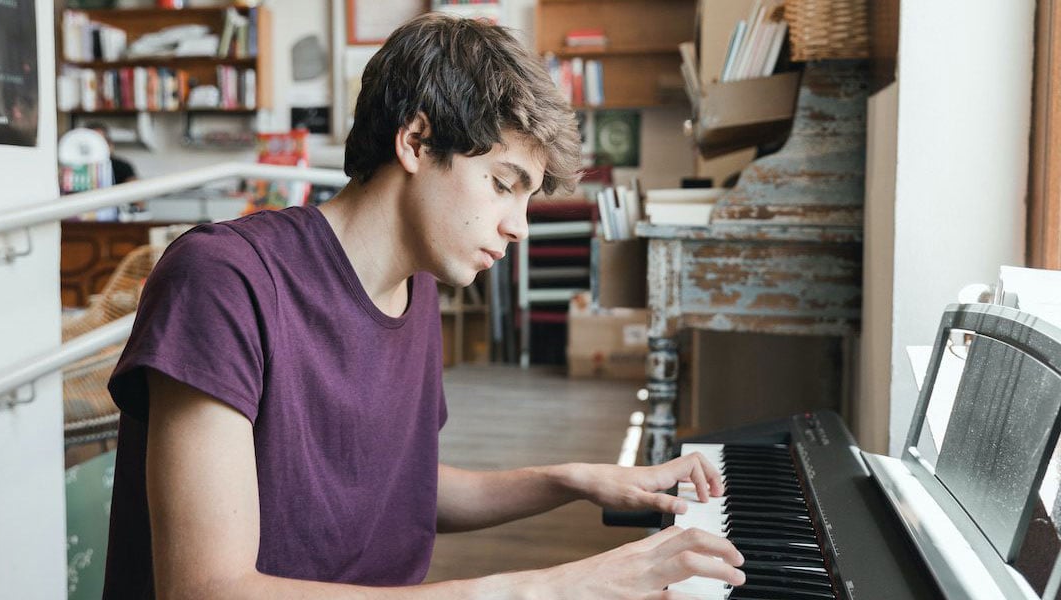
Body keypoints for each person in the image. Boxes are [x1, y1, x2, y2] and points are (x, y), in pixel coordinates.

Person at [102, 13, 744, 600]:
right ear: (415, 141)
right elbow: (205, 590)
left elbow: (402, 488)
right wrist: (546, 587)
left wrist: (572, 480)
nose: (518, 227)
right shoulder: (223, 279)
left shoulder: (418, 285)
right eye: (501, 185)